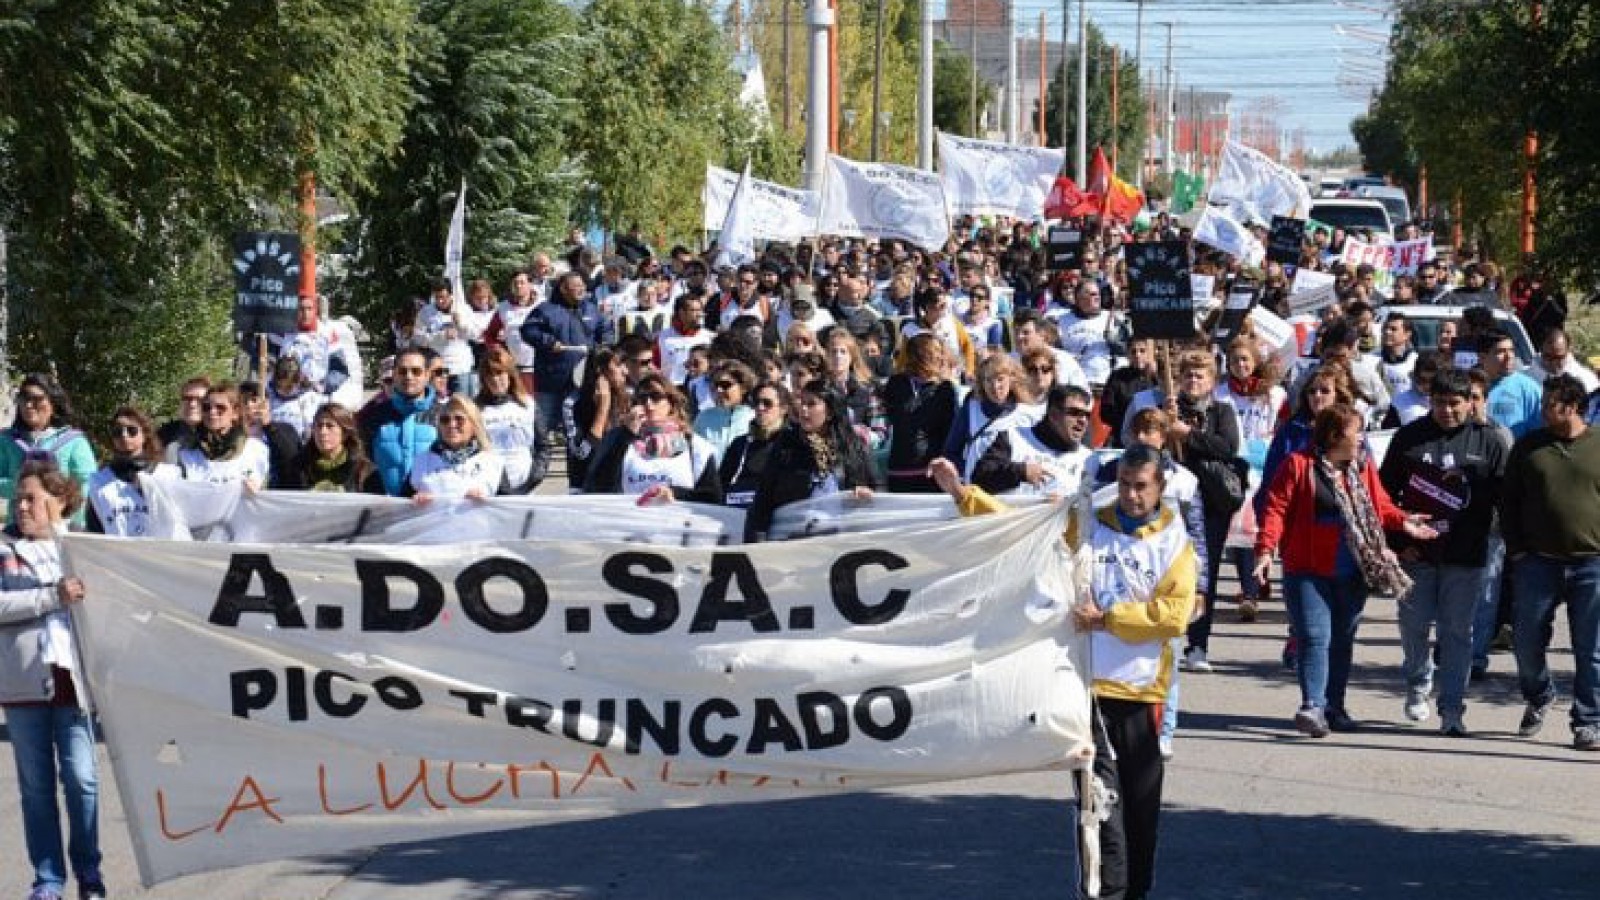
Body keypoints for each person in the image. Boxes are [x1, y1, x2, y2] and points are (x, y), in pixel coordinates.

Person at [932, 446, 1196, 900]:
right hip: (1087, 687)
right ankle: (1103, 892)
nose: (1132, 496)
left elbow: (1173, 615)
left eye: (1142, 487)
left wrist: (1108, 619)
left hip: (1142, 691)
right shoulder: (1088, 522)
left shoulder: (1174, 541)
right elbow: (1022, 531)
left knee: (1141, 806)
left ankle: (1137, 889)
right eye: (1127, 485)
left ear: (1160, 488)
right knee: (1098, 802)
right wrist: (962, 493)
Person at [1254, 405, 1436, 737]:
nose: (1363, 439)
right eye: (1358, 433)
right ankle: (1313, 705)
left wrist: (1406, 521)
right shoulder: (1299, 465)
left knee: (1341, 641)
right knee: (1314, 637)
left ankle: (1334, 707)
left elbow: (1379, 505)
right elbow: (1275, 510)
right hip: (1307, 569)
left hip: (1353, 568)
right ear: (1335, 436)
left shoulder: (1362, 468)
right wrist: (1265, 550)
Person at [1379, 368, 1508, 735]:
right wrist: (1399, 543)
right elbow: (1385, 494)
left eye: (1454, 403)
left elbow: (1504, 497)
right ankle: (1418, 684)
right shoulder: (1410, 438)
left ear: (1470, 402)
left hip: (1465, 555)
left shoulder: (1489, 440)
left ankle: (1453, 708)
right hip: (1417, 554)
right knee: (1414, 626)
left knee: (1457, 633)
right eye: (1439, 403)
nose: (1447, 410)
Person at [1, 462, 105, 900]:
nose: (22, 506)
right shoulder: (4, 547)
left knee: (82, 781)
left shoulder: (82, 549)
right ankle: (48, 879)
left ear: (60, 502)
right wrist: (50, 597)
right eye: (18, 498)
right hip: (23, 685)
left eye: (32, 498)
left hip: (74, 683)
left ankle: (89, 873)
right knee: (37, 788)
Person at [1501, 374, 1600, 751]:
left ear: (1573, 406)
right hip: (1537, 563)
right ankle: (1539, 693)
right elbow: (1508, 502)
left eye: (1550, 405)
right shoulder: (1529, 448)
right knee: (1526, 640)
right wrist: (1518, 550)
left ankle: (1588, 721)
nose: (1542, 411)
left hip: (1592, 564)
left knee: (1591, 648)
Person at [744, 380, 881, 541]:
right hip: (793, 540)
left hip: (841, 541)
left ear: (829, 412)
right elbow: (763, 498)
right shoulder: (786, 444)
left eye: (811, 404)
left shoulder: (852, 446)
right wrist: (756, 542)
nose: (803, 409)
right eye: (802, 403)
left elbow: (875, 491)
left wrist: (865, 495)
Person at [1214, 337, 1287, 622]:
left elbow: (1282, 428)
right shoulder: (1220, 395)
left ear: (1256, 361)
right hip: (1235, 470)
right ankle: (1249, 592)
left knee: (1263, 527)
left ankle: (1259, 577)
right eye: (1234, 361)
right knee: (1241, 531)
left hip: (1267, 468)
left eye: (1245, 359)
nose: (1240, 366)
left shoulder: (1276, 395)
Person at [583, 373, 722, 503]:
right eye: (642, 399)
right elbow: (596, 486)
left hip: (679, 523)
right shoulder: (619, 438)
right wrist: (626, 435)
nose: (648, 404)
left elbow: (712, 496)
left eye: (656, 397)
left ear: (671, 404)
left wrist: (674, 493)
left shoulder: (695, 445)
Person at [522, 270, 615, 455]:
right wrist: (549, 342)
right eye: (576, 286)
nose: (581, 290)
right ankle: (535, 462)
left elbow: (606, 330)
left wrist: (602, 347)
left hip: (583, 382)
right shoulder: (546, 310)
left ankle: (579, 460)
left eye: (583, 286)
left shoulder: (591, 309)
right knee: (542, 427)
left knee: (578, 427)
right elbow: (528, 331)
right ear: (564, 289)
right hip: (551, 381)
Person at [970, 384, 1094, 497]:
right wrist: (1020, 472)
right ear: (1053, 415)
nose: (1082, 420)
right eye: (1074, 413)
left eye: (1087, 415)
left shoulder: (1088, 459)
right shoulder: (1014, 438)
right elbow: (979, 478)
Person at [1, 375, 96, 524]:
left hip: (61, 527)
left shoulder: (74, 442)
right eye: (23, 398)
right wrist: (23, 487)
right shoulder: (7, 441)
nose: (28, 405)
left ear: (53, 403)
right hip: (18, 526)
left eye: (37, 399)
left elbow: (88, 486)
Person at [942, 354, 1043, 481]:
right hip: (979, 491)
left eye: (1000, 379)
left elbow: (1042, 456)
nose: (995, 386)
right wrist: (971, 469)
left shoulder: (1030, 414)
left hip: (1017, 493)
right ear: (981, 383)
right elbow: (950, 452)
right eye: (988, 380)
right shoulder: (970, 410)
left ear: (1011, 380)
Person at [880, 333, 959, 493]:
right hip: (900, 470)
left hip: (932, 471)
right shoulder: (897, 383)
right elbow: (897, 417)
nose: (940, 358)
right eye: (934, 354)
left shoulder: (945, 389)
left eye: (940, 353)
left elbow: (949, 430)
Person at [357, 347, 440, 496]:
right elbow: (361, 462)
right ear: (394, 375)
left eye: (416, 371)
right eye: (402, 371)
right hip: (384, 509)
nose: (409, 376)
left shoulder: (443, 416)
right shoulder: (372, 416)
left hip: (429, 510)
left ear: (427, 375)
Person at [85, 407, 181, 535]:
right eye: (117, 432)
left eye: (132, 430)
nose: (124, 435)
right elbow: (94, 530)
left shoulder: (168, 474)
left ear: (144, 434)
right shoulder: (99, 481)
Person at [267, 294, 363, 411]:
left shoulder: (327, 332)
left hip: (316, 402)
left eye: (309, 309)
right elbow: (267, 363)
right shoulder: (281, 333)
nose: (305, 314)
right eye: (301, 309)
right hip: (282, 402)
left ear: (316, 310)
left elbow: (340, 370)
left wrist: (320, 386)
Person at [472, 347, 546, 495]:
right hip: (490, 486)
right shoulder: (475, 408)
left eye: (499, 373)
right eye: (489, 375)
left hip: (525, 485)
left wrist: (533, 479)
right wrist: (499, 486)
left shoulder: (528, 405)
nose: (495, 379)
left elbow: (543, 447)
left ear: (510, 374)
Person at [172, 382, 272, 490]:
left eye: (220, 407)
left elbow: (266, 495)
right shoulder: (188, 453)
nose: (212, 412)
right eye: (206, 407)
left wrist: (256, 491)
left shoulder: (256, 450)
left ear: (235, 412)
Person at [408, 395, 502, 502]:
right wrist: (416, 500)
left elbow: (509, 508)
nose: (451, 425)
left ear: (474, 425)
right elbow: (404, 505)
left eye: (459, 419)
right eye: (445, 420)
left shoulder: (493, 462)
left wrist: (486, 502)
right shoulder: (422, 461)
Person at [566, 348, 628, 491]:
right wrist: (603, 407)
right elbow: (581, 453)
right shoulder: (573, 402)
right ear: (601, 371)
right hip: (584, 485)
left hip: (617, 483)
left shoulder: (628, 398)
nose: (625, 371)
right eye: (618, 365)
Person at [720, 380, 789, 509]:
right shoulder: (740, 443)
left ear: (783, 409)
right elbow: (721, 483)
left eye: (767, 403)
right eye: (757, 402)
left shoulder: (791, 443)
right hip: (736, 513)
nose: (760, 408)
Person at [290, 404, 384, 493]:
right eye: (319, 426)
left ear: (345, 433)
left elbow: (377, 507)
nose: (323, 432)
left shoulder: (365, 471)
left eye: (330, 426)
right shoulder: (298, 468)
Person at [417, 277, 483, 398]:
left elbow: (477, 335)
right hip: (438, 369)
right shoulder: (425, 312)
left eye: (444, 297)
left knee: (462, 407)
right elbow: (418, 339)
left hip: (461, 367)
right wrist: (440, 336)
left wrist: (462, 325)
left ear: (451, 295)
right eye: (437, 297)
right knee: (439, 407)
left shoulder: (463, 309)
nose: (440, 301)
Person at [1481, 327, 1544, 439]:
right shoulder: (1469, 385)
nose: (1509, 356)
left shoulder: (1529, 389)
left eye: (1511, 350)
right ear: (1482, 357)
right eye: (1500, 351)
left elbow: (1539, 433)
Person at [1100, 338, 1159, 449]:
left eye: (1142, 351)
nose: (1137, 355)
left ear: (1149, 353)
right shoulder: (1118, 377)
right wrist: (1129, 421)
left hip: (1152, 437)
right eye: (1133, 351)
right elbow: (1106, 412)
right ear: (1127, 354)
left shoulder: (1157, 378)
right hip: (1122, 435)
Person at [693, 360, 757, 458]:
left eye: (725, 385)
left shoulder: (754, 417)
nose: (719, 390)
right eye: (714, 385)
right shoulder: (703, 418)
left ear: (743, 387)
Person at [657, 293, 714, 385]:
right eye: (694, 310)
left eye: (700, 310)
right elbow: (654, 366)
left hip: (700, 390)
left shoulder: (710, 338)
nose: (699, 314)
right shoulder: (662, 337)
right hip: (673, 391)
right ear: (681, 312)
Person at [265, 355, 322, 441]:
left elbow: (310, 431)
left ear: (298, 381)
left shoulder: (309, 398)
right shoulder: (267, 390)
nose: (282, 391)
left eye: (288, 387)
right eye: (279, 386)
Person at [1380, 350, 1442, 429]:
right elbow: (1388, 432)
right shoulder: (1400, 401)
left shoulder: (1449, 400)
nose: (1427, 386)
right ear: (1414, 376)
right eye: (1422, 380)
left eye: (1432, 381)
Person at [1528, 327, 1600, 393]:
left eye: (1559, 358)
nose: (1554, 363)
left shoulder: (1587, 379)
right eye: (1548, 357)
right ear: (1541, 350)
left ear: (1568, 351)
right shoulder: (1525, 381)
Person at [157, 376, 210, 449]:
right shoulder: (162, 436)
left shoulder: (221, 437)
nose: (192, 404)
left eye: (200, 399)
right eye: (187, 398)